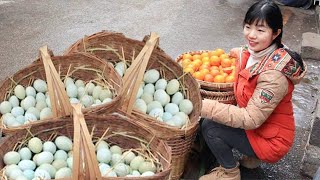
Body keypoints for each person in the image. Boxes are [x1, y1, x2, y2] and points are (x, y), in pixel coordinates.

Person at [199, 0, 307, 180]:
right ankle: (252, 157)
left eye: (260, 30)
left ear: (275, 33)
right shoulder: (256, 52)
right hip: (264, 127)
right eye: (248, 27)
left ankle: (229, 173)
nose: (251, 35)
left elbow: (250, 118)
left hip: (272, 140)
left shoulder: (274, 76)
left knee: (210, 126)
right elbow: (242, 53)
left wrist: (204, 106)